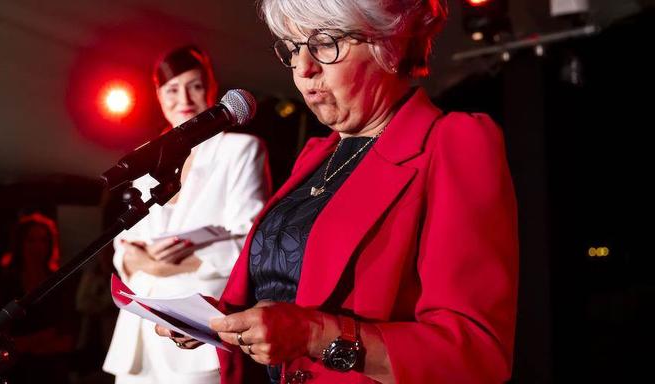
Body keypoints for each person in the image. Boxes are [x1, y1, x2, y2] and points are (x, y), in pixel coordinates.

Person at [156, 1, 519, 383]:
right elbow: (289, 294)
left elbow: (477, 356)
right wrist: (222, 319)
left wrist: (313, 334)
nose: (303, 68)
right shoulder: (316, 156)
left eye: (325, 43)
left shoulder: (455, 142)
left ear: (389, 45)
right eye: (293, 49)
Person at [103, 45, 271, 384]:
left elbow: (251, 241)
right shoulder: (146, 157)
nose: (184, 97)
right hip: (139, 331)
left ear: (211, 88)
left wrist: (163, 263)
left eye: (194, 85)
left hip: (197, 327)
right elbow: (123, 247)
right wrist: (145, 262)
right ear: (158, 96)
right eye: (172, 88)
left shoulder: (239, 149)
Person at [0, 213, 76, 384]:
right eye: (31, 240)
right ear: (20, 243)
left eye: (43, 240)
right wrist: (37, 340)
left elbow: (66, 336)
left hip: (52, 368)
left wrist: (30, 344)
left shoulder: (58, 281)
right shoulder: (7, 282)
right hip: (16, 369)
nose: (38, 246)